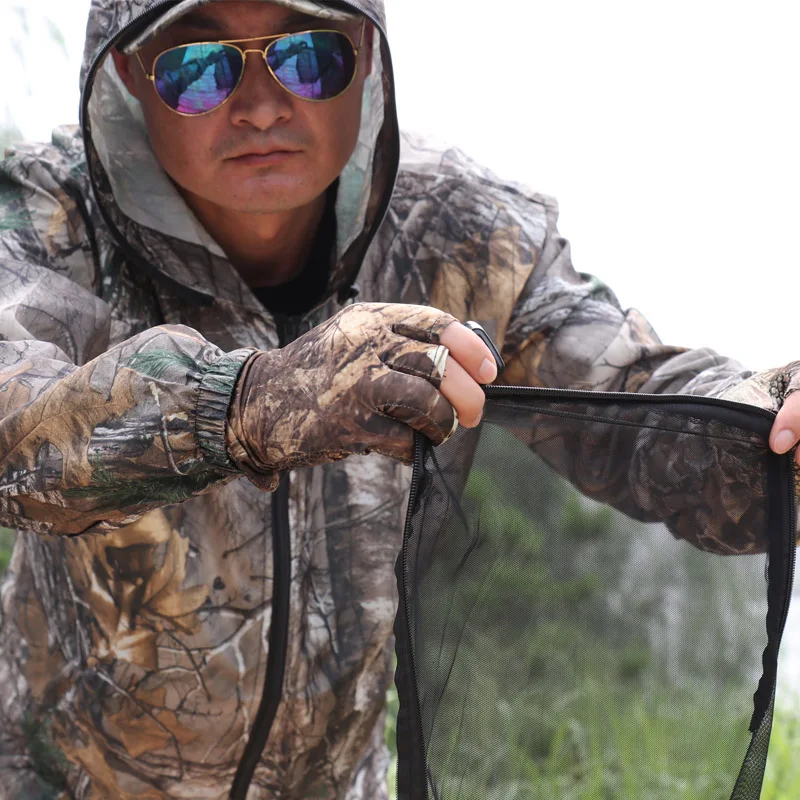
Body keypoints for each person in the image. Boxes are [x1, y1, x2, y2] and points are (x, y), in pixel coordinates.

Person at [0, 0, 798, 797]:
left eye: (310, 57)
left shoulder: (459, 230)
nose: (262, 107)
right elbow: (13, 420)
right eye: (198, 69)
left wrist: (764, 426)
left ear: (366, 52)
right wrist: (249, 401)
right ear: (131, 72)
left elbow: (634, 398)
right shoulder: (51, 215)